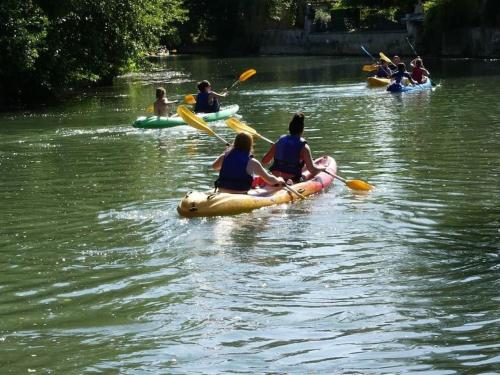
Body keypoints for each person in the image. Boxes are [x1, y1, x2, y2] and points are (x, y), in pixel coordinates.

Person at [262, 112, 326, 183]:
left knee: (303, 167)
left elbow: (265, 161)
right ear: (302, 130)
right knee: (306, 174)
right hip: (291, 179)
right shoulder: (304, 147)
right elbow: (312, 170)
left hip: (273, 177)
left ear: (290, 128)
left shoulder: (279, 141)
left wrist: (274, 148)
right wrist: (321, 169)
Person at [213, 132, 285, 194]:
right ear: (250, 145)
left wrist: (227, 152)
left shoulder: (224, 157)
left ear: (235, 143)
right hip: (239, 193)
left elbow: (214, 167)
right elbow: (269, 180)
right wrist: (279, 180)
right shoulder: (252, 162)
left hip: (222, 190)